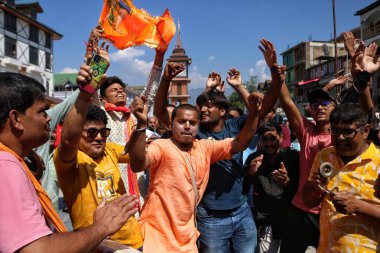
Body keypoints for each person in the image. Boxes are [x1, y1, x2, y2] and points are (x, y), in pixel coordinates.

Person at [0, 72, 138, 253]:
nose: (49, 118)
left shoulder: (14, 161)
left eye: (103, 132)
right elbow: (36, 249)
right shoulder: (6, 166)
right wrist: (101, 227)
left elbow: (139, 159)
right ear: (16, 119)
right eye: (43, 112)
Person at [128, 90, 263, 252]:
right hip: (157, 233)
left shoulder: (205, 147)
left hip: (187, 236)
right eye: (181, 121)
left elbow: (240, 143)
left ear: (198, 126)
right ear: (171, 125)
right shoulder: (161, 146)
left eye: (192, 123)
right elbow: (137, 165)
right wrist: (141, 126)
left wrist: (254, 113)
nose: (187, 126)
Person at [54, 44, 144, 249]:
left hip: (132, 241)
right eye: (91, 132)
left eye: (103, 132)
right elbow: (68, 139)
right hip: (95, 245)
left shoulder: (111, 148)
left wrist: (142, 125)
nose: (98, 138)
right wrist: (91, 76)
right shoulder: (70, 159)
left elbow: (138, 161)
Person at [302, 103, 380, 252]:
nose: (340, 137)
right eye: (335, 130)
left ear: (365, 131)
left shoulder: (378, 161)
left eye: (347, 131)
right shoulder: (325, 156)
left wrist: (358, 206)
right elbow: (308, 200)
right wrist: (315, 189)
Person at [100, 47, 166, 210]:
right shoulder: (100, 115)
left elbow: (150, 91)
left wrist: (159, 55)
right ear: (103, 98)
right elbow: (90, 93)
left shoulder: (135, 114)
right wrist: (100, 65)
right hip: (111, 177)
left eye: (121, 89)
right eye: (114, 90)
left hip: (138, 177)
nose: (120, 92)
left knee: (141, 218)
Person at [245, 122, 299, 253]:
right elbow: (244, 188)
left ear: (280, 138)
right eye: (265, 139)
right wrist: (250, 173)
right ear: (260, 140)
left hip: (290, 218)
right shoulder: (254, 159)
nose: (269, 143)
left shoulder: (292, 156)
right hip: (266, 220)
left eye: (273, 138)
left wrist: (287, 182)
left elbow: (300, 188)